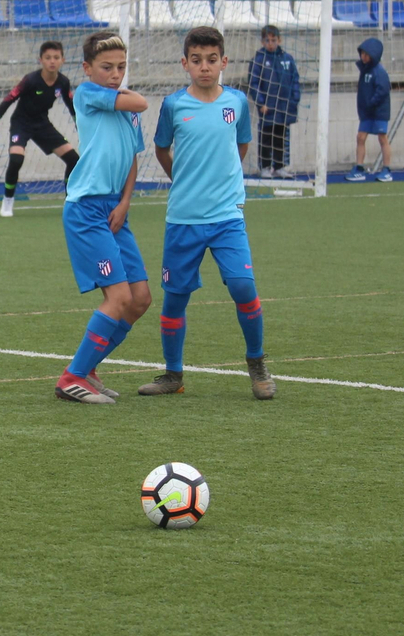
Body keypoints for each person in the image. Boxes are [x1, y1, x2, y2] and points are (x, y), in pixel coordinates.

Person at [140, 25, 273, 401]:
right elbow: (163, 150)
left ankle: (257, 366)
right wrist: (185, 179)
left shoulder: (237, 104)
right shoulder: (173, 106)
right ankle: (172, 374)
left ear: (223, 62)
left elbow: (241, 146)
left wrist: (221, 185)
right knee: (175, 299)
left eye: (212, 60)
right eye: (196, 60)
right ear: (185, 63)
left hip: (227, 216)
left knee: (244, 287)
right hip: (183, 217)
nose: (204, 67)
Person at [54, 32, 152, 406]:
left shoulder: (124, 108)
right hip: (86, 209)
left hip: (114, 208)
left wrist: (126, 201)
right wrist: (127, 94)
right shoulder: (88, 94)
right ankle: (72, 377)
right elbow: (141, 101)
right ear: (87, 69)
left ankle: (90, 369)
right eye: (107, 67)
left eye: (121, 68)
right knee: (119, 296)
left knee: (139, 299)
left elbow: (132, 156)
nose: (115, 74)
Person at [0, 41, 80, 217]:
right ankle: (7, 202)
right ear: (40, 60)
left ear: (63, 60)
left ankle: (70, 200)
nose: (52, 61)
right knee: (16, 159)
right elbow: (9, 99)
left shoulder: (63, 82)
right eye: (48, 57)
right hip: (21, 123)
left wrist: (81, 127)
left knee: (74, 159)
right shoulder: (31, 80)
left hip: (43, 124)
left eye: (56, 57)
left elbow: (71, 106)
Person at [247, 25, 301, 178]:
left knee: (281, 137)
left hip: (285, 107)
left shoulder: (287, 59)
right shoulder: (258, 60)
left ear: (279, 40)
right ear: (262, 41)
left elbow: (294, 80)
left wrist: (295, 99)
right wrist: (260, 102)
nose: (270, 43)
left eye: (273, 40)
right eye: (267, 40)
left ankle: (279, 166)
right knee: (266, 137)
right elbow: (254, 83)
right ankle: (264, 166)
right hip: (268, 108)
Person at [345, 37, 392, 182]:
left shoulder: (379, 71)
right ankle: (359, 168)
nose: (363, 57)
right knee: (360, 137)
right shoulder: (364, 71)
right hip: (367, 112)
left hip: (378, 112)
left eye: (366, 54)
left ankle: (387, 170)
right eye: (362, 54)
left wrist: (372, 103)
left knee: (382, 138)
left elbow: (383, 89)